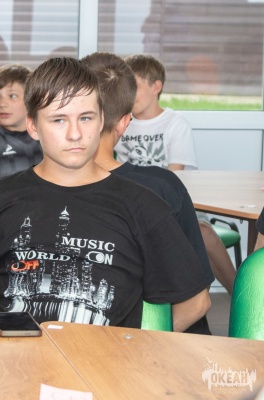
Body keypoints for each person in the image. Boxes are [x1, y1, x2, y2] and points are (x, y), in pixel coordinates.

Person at [0, 57, 211, 331]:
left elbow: (195, 302)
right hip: (14, 357)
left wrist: (134, 351)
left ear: (102, 120)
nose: (75, 134)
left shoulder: (144, 205)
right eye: (58, 120)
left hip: (105, 361)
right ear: (33, 126)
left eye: (86, 118)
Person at [83, 52, 214, 334]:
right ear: (124, 122)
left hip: (147, 347)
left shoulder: (157, 190)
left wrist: (133, 348)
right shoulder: (161, 187)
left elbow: (195, 303)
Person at [116, 54, 237, 295]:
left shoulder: (175, 122)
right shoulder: (120, 122)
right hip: (132, 205)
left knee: (204, 233)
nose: (129, 93)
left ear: (156, 87)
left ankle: (243, 296)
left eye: (135, 85)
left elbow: (175, 177)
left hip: (172, 202)